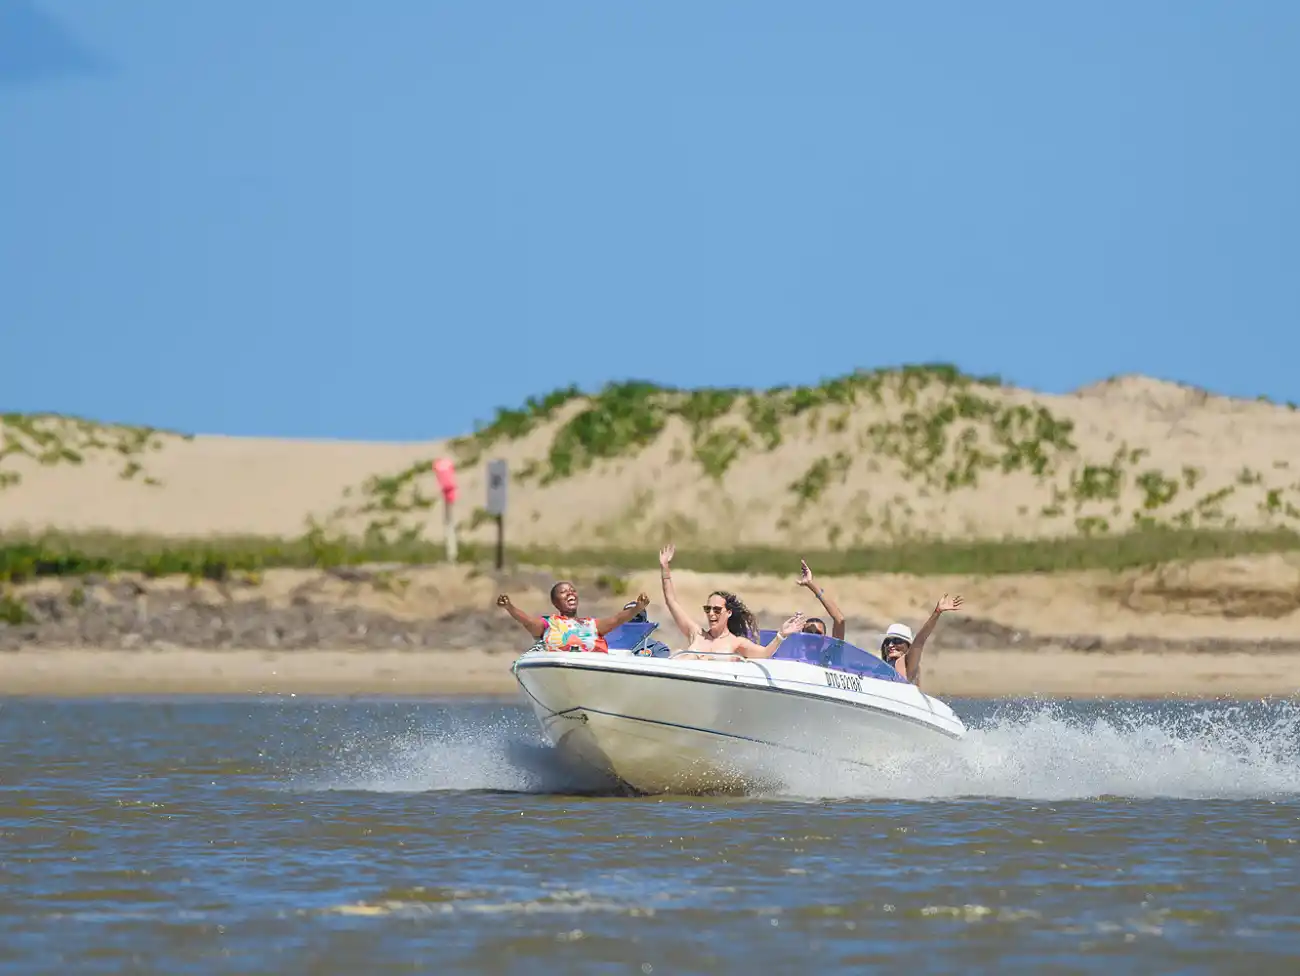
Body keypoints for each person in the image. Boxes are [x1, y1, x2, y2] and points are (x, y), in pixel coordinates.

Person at [658, 543, 804, 660]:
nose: (711, 614)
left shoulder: (736, 642)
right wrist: (665, 568)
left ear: (728, 613)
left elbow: (764, 653)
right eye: (708, 609)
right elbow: (671, 601)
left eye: (717, 610)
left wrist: (781, 635)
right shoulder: (696, 634)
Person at [497, 580, 650, 654]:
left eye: (572, 590)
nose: (570, 593)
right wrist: (509, 607)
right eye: (563, 592)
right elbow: (527, 621)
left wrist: (638, 608)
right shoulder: (549, 624)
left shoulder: (591, 625)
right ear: (555, 602)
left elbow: (617, 619)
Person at [880, 594, 963, 687]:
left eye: (896, 641)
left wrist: (937, 612)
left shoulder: (907, 662)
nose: (890, 645)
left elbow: (919, 641)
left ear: (908, 646)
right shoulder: (882, 666)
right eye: (887, 642)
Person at [795, 559, 846, 639]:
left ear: (824, 636)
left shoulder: (832, 647)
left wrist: (810, 584)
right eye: (809, 633)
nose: (813, 636)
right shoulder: (794, 646)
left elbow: (839, 619)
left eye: (818, 633)